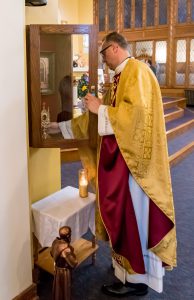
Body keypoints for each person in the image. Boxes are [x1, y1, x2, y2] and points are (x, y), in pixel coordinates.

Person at [49, 31, 177, 297]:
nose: (103, 59)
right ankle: (126, 272)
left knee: (135, 219)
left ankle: (137, 280)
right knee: (124, 218)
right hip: (121, 164)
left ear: (116, 47)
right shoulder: (120, 76)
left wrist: (101, 109)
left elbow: (138, 119)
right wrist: (60, 127)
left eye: (104, 52)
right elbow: (95, 120)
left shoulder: (137, 72)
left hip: (134, 168)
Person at [51, 226, 78, 300]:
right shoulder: (66, 250)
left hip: (57, 269)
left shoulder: (55, 242)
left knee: (58, 287)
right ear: (68, 236)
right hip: (64, 272)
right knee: (65, 289)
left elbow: (51, 253)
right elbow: (74, 263)